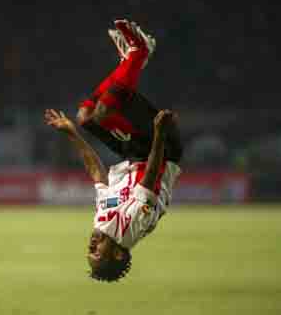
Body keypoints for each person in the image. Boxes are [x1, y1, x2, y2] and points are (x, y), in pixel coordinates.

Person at [43, 19, 183, 282]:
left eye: (89, 252)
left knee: (85, 117)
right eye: (96, 254)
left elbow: (97, 172)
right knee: (105, 111)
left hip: (134, 154)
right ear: (117, 255)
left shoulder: (104, 224)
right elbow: (150, 179)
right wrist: (160, 134)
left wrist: (71, 132)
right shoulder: (129, 229)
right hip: (159, 151)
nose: (91, 247)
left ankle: (127, 63)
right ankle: (138, 52)